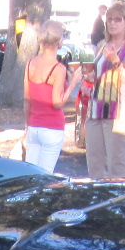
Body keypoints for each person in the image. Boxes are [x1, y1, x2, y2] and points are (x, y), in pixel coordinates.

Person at [87, 1, 125, 178]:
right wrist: (89, 79)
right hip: (95, 110)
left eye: (117, 19)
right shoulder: (102, 44)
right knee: (95, 166)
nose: (112, 23)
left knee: (116, 167)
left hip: (118, 112)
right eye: (109, 19)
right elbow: (98, 74)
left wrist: (115, 60)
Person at [24, 20, 84, 172]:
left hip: (34, 126)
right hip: (52, 127)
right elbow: (57, 102)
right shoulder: (58, 68)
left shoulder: (30, 63)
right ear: (59, 41)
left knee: (31, 174)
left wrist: (27, 125)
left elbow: (27, 99)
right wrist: (73, 83)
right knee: (45, 175)